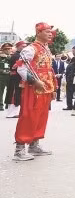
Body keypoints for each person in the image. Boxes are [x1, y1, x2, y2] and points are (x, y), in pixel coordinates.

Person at [13, 23, 57, 161]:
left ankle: (34, 144)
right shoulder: (31, 49)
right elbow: (21, 68)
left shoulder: (46, 49)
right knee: (28, 116)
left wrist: (53, 87)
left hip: (45, 88)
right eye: (47, 31)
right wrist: (34, 81)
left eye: (51, 32)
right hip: (34, 88)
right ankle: (19, 149)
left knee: (41, 117)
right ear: (38, 32)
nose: (50, 34)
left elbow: (50, 70)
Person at [5, 41, 26, 118]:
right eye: (22, 46)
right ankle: (12, 113)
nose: (24, 48)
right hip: (15, 78)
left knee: (16, 94)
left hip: (16, 77)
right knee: (14, 94)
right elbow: (18, 67)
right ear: (18, 47)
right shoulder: (17, 56)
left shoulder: (19, 55)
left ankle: (14, 112)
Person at [1, 42, 14, 111]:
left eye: (9, 49)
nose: (8, 50)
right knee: (1, 91)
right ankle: (0, 105)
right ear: (3, 50)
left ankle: (7, 104)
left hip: (9, 76)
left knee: (9, 90)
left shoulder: (11, 57)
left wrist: (7, 57)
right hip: (1, 76)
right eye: (6, 49)